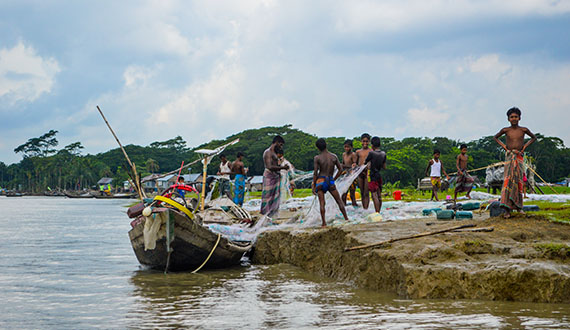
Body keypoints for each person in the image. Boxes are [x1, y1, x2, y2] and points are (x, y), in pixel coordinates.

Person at [494, 107, 536, 218]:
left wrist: (524, 147)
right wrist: (504, 147)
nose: (514, 119)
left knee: (518, 181)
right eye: (512, 117)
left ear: (519, 118)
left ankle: (518, 207)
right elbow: (496, 137)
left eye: (516, 117)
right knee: (508, 181)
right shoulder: (506, 130)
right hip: (509, 157)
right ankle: (507, 209)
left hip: (519, 157)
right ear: (508, 119)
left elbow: (533, 137)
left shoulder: (523, 130)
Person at [312, 138, 349, 227]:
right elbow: (340, 169)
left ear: (318, 148)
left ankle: (324, 223)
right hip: (330, 180)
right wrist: (334, 179)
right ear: (326, 144)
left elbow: (315, 172)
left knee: (322, 203)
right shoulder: (334, 156)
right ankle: (346, 218)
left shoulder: (317, 158)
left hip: (321, 180)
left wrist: (314, 185)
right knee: (339, 201)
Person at [261, 136, 289, 217]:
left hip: (275, 176)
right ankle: (265, 215)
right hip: (269, 176)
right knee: (267, 197)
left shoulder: (274, 153)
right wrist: (283, 168)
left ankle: (272, 216)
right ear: (276, 142)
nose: (281, 146)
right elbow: (269, 166)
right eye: (280, 144)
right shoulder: (268, 152)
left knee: (275, 197)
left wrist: (281, 167)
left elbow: (275, 165)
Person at [365, 136, 386, 213]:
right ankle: (379, 212)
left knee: (374, 195)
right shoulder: (383, 154)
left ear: (372, 145)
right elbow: (384, 167)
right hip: (379, 175)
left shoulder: (371, 153)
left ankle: (377, 213)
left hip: (372, 175)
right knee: (379, 195)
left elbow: (365, 163)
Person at [356, 133, 372, 209]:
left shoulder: (371, 151)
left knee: (366, 192)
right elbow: (356, 162)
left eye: (366, 141)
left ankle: (366, 208)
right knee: (362, 192)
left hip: (367, 173)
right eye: (363, 141)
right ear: (361, 141)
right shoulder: (358, 152)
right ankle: (363, 208)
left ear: (369, 142)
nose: (365, 143)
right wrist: (354, 165)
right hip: (360, 173)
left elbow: (373, 162)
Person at [341, 139, 358, 207]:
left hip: (352, 176)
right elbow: (342, 164)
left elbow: (354, 166)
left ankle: (355, 206)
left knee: (352, 194)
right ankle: (344, 207)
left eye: (348, 147)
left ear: (351, 147)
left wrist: (345, 166)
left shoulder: (353, 155)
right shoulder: (344, 154)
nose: (346, 148)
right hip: (345, 175)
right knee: (344, 194)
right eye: (345, 147)